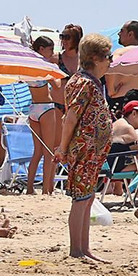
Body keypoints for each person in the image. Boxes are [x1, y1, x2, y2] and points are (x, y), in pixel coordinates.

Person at [57, 33, 113, 262]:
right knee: (81, 198)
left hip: (92, 151)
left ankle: (84, 248)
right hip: (84, 149)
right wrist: (62, 148)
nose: (110, 61)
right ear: (95, 58)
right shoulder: (83, 82)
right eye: (107, 56)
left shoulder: (92, 83)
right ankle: (76, 249)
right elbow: (70, 118)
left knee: (88, 198)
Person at [26, 36, 64, 195]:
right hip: (46, 108)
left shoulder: (29, 66)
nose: (52, 53)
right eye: (50, 49)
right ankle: (46, 190)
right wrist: (55, 69)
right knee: (48, 152)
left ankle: (29, 188)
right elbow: (57, 86)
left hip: (33, 108)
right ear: (42, 49)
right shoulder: (45, 66)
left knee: (37, 153)